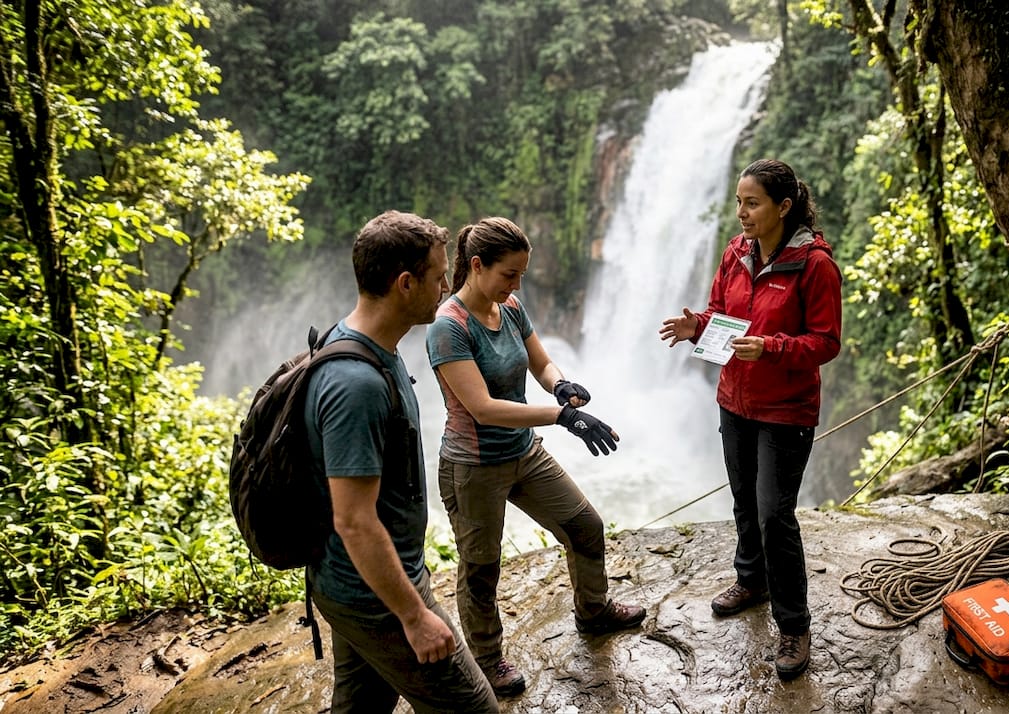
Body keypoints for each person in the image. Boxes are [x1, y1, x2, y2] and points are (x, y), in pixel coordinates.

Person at [425, 216, 647, 698]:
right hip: (473, 466)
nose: (517, 284)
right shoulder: (448, 327)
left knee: (584, 526)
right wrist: (562, 417)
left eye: (522, 274)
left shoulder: (509, 306)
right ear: (477, 266)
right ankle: (487, 660)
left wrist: (560, 385)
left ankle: (593, 611)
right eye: (510, 274)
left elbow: (541, 361)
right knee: (481, 568)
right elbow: (483, 408)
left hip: (523, 452)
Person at [304, 210, 498, 713]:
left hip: (357, 583)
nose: (447, 289)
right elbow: (354, 520)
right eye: (439, 277)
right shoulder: (357, 384)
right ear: (405, 283)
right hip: (374, 596)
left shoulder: (364, 345)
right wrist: (414, 615)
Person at [658, 159, 842, 680]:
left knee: (774, 515)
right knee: (743, 499)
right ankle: (751, 580)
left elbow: (826, 342)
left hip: (786, 410)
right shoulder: (737, 252)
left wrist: (772, 347)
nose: (742, 212)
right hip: (734, 401)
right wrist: (697, 326)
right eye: (739, 202)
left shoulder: (814, 265)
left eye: (752, 203)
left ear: (784, 207)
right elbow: (722, 315)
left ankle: (794, 625)